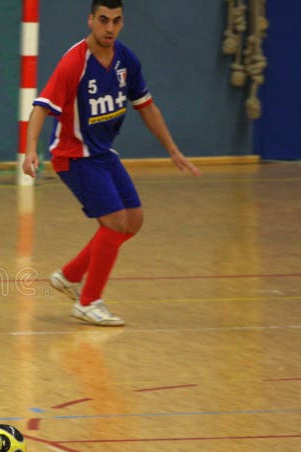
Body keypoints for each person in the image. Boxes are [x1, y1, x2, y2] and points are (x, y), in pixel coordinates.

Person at [22, 0, 200, 326]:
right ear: (90, 20)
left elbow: (146, 106)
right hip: (73, 156)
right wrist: (30, 149)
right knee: (116, 222)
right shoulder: (74, 62)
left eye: (116, 21)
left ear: (122, 23)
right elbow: (41, 106)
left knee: (133, 220)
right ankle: (88, 302)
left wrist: (173, 150)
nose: (109, 27)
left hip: (102, 153)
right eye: (103, 20)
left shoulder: (126, 60)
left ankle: (70, 275)